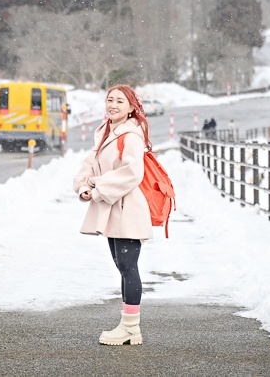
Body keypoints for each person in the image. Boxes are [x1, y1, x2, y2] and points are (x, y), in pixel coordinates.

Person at [73, 85, 153, 346]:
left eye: (120, 101)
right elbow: (90, 163)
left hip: (127, 208)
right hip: (113, 207)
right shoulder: (106, 131)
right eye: (110, 100)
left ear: (131, 108)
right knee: (122, 267)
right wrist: (84, 185)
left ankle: (131, 328)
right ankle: (128, 326)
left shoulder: (130, 135)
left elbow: (132, 173)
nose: (113, 105)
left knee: (129, 268)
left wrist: (98, 189)